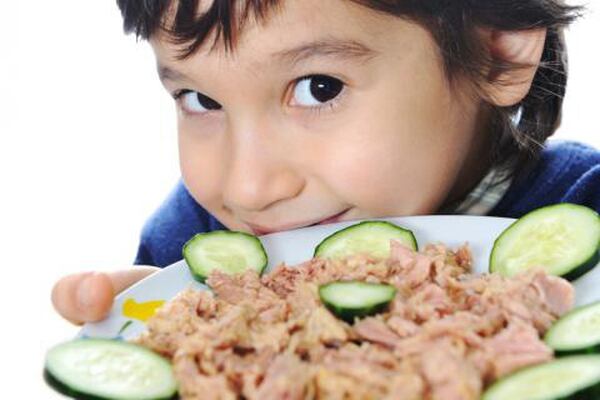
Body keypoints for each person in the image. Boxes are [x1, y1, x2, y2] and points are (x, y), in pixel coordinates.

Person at [52, 0, 600, 325]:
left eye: (319, 89)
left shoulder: (588, 207)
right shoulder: (186, 243)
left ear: (497, 51)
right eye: (201, 100)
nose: (248, 189)